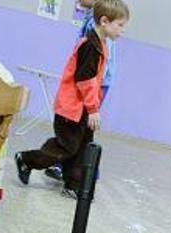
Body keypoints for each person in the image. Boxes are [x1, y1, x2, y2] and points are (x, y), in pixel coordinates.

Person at [14, 0, 129, 198]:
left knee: (81, 148)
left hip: (81, 109)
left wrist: (91, 108)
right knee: (66, 146)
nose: (122, 30)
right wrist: (93, 109)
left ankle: (73, 185)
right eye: (120, 25)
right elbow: (85, 80)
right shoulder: (91, 46)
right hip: (72, 109)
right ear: (104, 21)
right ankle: (27, 159)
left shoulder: (99, 44)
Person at [44, 0, 118, 183]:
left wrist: (92, 107)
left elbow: (88, 75)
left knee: (82, 135)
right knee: (77, 135)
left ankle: (82, 176)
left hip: (96, 84)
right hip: (91, 84)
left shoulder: (98, 23)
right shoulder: (92, 22)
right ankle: (77, 175)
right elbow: (85, 72)